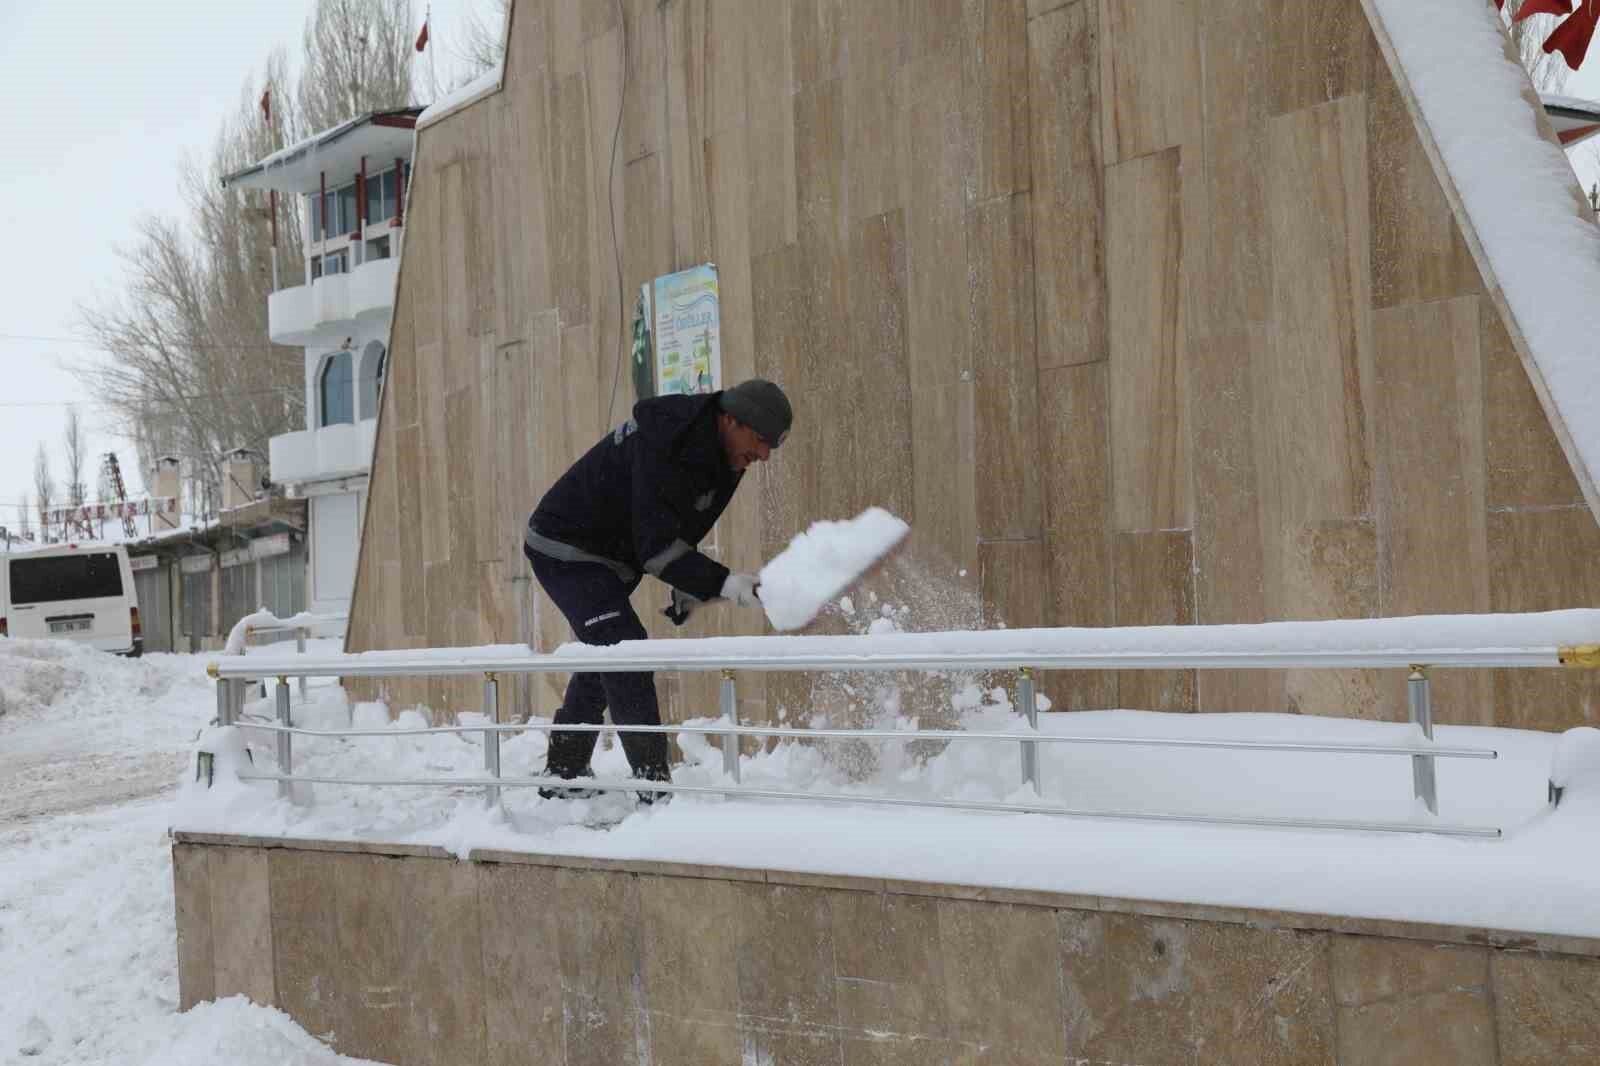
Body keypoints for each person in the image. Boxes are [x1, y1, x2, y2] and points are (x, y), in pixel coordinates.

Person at [523, 377, 793, 801]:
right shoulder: (665, 439)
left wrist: (690, 580)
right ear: (729, 419)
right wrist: (718, 580)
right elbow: (654, 547)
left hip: (611, 556)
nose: (762, 456)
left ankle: (564, 772)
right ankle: (652, 787)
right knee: (625, 647)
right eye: (759, 441)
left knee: (605, 654)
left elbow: (682, 524)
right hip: (565, 546)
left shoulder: (727, 457)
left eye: (769, 448)